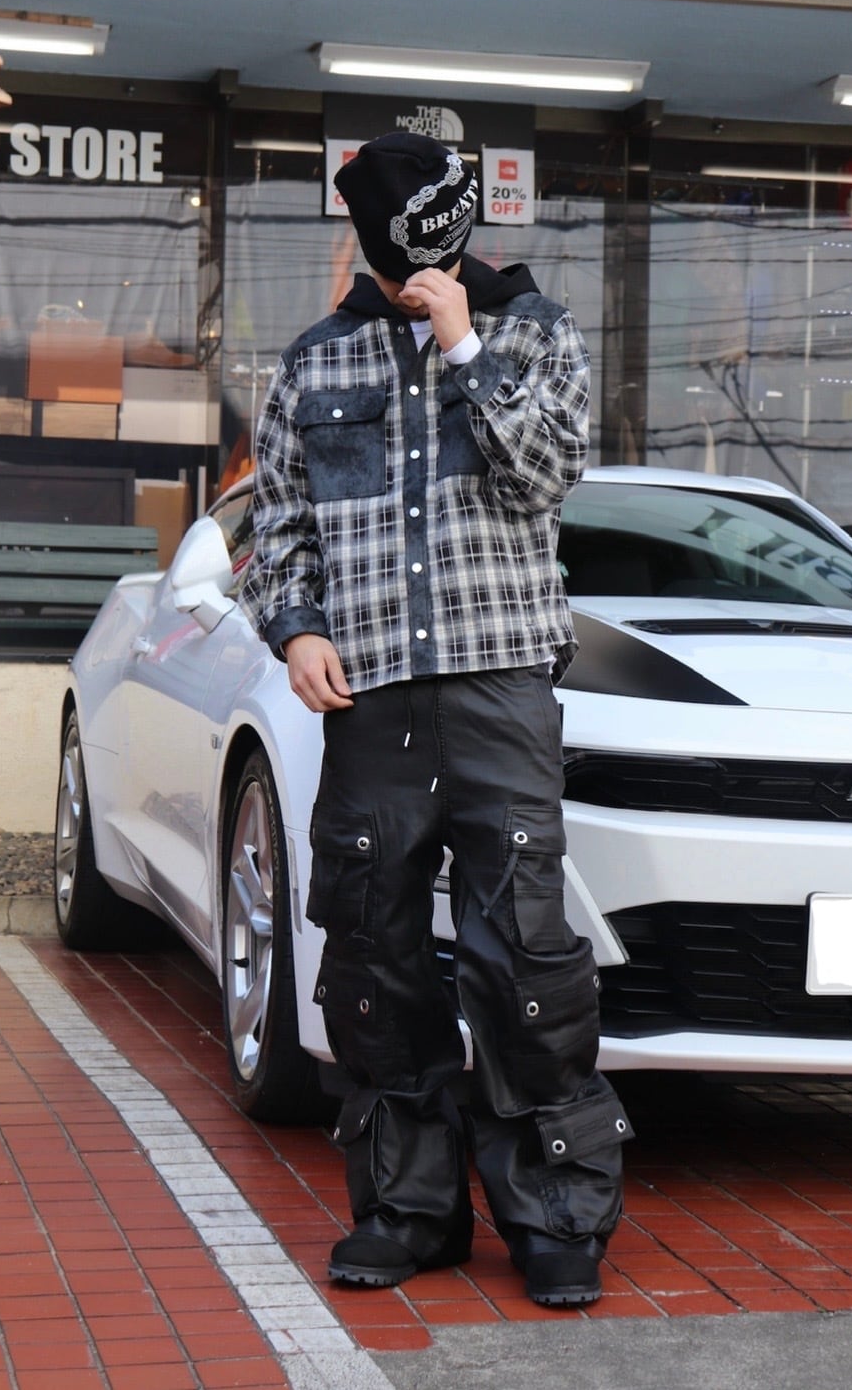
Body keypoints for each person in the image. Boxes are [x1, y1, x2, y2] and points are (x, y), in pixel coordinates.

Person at [239, 130, 628, 1308]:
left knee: (524, 955)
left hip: (499, 684)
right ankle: (406, 1212)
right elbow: (278, 525)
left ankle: (555, 1216)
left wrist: (462, 343)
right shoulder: (315, 362)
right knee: (373, 956)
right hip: (371, 698)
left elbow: (547, 473)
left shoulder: (533, 331)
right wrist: (295, 629)